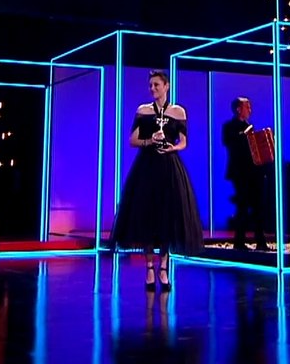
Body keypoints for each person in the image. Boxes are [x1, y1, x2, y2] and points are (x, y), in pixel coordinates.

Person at [110, 70, 205, 290]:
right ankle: (149, 268)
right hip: (147, 167)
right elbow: (132, 140)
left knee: (167, 217)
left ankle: (164, 267)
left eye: (156, 85)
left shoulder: (178, 111)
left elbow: (184, 141)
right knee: (146, 216)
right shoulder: (143, 110)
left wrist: (174, 147)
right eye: (151, 85)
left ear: (166, 86)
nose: (152, 89)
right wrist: (149, 140)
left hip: (169, 166)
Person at [221, 96, 269, 250]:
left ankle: (260, 242)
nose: (250, 110)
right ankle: (239, 242)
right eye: (247, 106)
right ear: (238, 109)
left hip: (254, 172)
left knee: (258, 207)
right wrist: (244, 135)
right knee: (242, 207)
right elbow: (230, 144)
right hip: (240, 173)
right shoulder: (229, 126)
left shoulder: (250, 126)